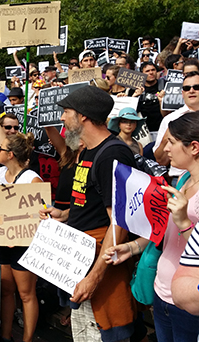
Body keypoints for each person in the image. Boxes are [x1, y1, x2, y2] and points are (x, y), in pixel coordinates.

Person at [39, 86, 142, 342]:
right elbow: (92, 202)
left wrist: (94, 278)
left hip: (100, 265)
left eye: (66, 112)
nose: (62, 118)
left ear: (83, 115)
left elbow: (118, 224)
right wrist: (63, 214)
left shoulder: (112, 155)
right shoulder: (86, 150)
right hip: (81, 258)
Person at [105, 113, 199, 341]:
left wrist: (184, 223)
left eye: (172, 143)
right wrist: (132, 248)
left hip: (190, 304)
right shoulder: (184, 178)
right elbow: (166, 231)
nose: (165, 149)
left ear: (194, 147)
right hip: (161, 291)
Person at [0, 133, 42, 342]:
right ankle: (6, 335)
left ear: (10, 154)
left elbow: (38, 215)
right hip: (1, 240)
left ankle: (27, 339)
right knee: (6, 291)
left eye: (0, 148)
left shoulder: (32, 178)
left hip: (23, 244)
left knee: (26, 294)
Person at [154, 71, 199, 173]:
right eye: (187, 88)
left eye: (196, 87)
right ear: (182, 93)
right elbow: (160, 160)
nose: (191, 91)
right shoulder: (170, 119)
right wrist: (168, 137)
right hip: (180, 178)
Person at [138, 61, 164, 133]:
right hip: (144, 131)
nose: (151, 73)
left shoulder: (165, 85)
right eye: (147, 71)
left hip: (162, 128)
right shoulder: (136, 89)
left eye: (153, 70)